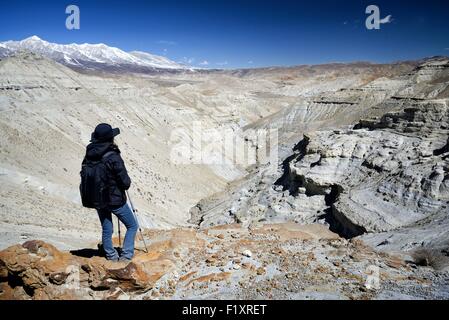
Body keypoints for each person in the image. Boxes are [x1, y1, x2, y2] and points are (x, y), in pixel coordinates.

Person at [82, 123, 137, 262]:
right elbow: (125, 182)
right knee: (132, 225)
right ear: (110, 139)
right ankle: (126, 256)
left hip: (97, 199)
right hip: (114, 199)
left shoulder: (90, 153)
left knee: (107, 228)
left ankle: (111, 256)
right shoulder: (113, 156)